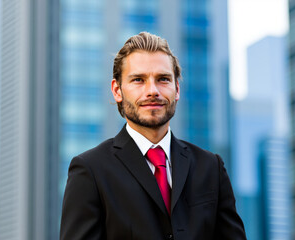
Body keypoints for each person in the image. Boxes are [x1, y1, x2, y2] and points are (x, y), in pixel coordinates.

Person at [60, 32, 246, 240]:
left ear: (176, 89)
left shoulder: (211, 167)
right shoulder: (90, 169)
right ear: (117, 90)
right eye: (138, 80)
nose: (152, 91)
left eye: (163, 79)